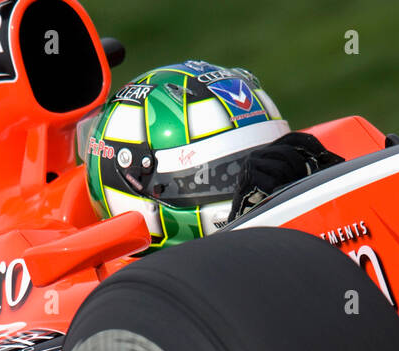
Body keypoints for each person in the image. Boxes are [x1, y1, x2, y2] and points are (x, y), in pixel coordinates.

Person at [83, 60, 343, 249]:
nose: (264, 185)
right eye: (220, 174)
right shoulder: (130, 306)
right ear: (136, 185)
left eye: (268, 159)